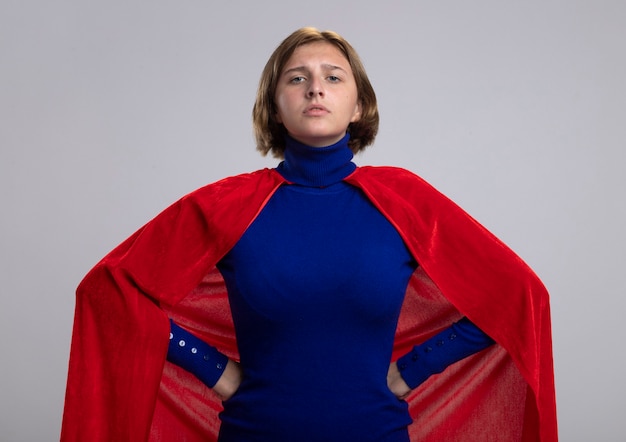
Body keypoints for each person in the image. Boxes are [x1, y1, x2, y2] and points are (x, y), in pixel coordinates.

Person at [61, 27, 557, 441]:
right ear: (275, 108)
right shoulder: (227, 205)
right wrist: (216, 370)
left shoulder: (406, 200)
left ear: (358, 105)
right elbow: (110, 290)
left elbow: (518, 296)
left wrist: (414, 369)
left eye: (332, 77)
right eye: (297, 79)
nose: (315, 89)